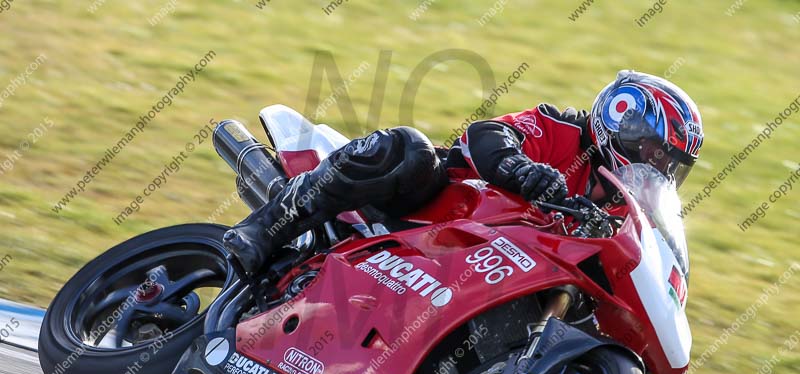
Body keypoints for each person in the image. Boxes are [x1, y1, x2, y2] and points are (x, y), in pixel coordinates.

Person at [223, 70, 704, 273]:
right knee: (410, 149)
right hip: (434, 213)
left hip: (487, 269)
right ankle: (264, 228)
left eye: (668, 164)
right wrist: (523, 171)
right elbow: (488, 135)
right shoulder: (566, 131)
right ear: (622, 122)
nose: (657, 168)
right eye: (653, 151)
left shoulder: (620, 210)